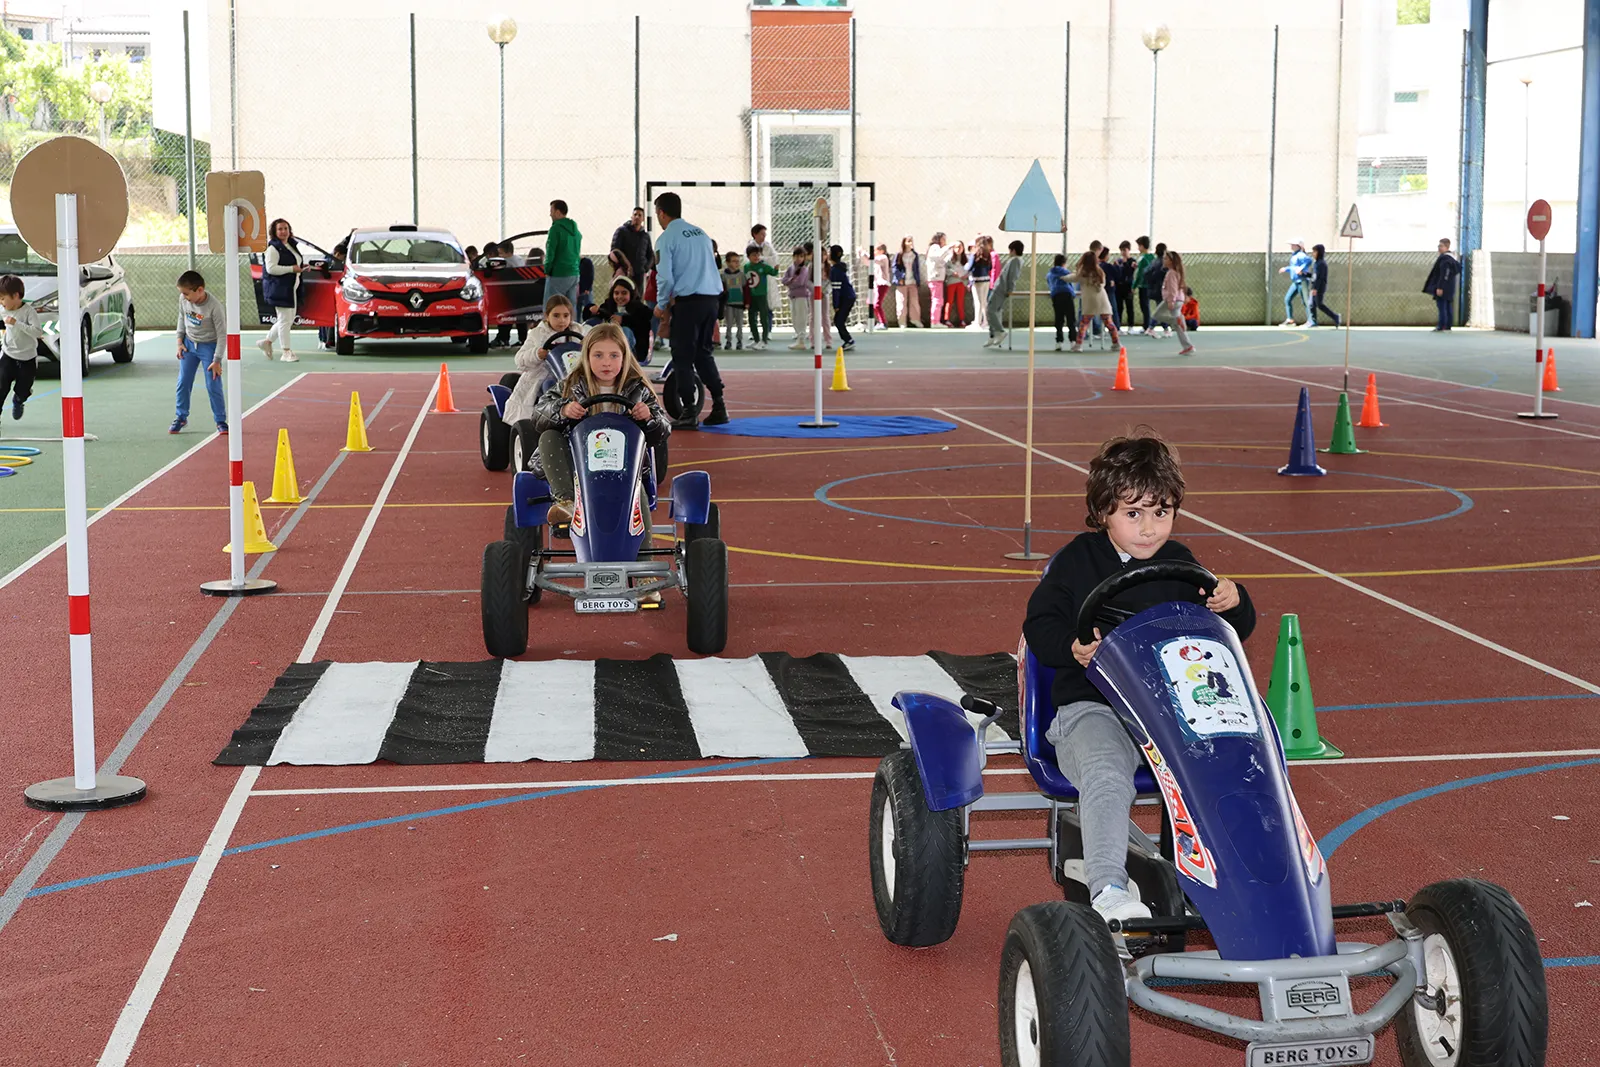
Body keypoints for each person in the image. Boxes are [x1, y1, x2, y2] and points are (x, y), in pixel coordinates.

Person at [1022, 429, 1255, 921]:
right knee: (1107, 772)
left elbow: (1229, 632)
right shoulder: (1076, 562)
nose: (1149, 529)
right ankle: (1108, 888)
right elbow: (1039, 626)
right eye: (1133, 514)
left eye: (1161, 512)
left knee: (1235, 764)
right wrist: (1072, 646)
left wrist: (1233, 601)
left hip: (1169, 714)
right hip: (1092, 708)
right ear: (1103, 511)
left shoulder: (1181, 565)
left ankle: (1227, 878)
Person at [530, 324, 670, 525]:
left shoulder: (638, 389)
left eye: (614, 356)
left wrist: (648, 417)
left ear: (624, 357)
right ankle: (567, 502)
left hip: (625, 470)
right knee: (548, 436)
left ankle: (642, 544)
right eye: (598, 355)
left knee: (637, 496)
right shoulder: (571, 385)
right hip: (579, 467)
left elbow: (663, 431)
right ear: (586, 357)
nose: (606, 363)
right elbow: (538, 415)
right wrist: (563, 410)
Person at [652, 191, 728, 428]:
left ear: (661, 213)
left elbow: (665, 277)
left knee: (682, 357)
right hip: (711, 300)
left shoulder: (666, 239)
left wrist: (661, 305)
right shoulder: (701, 234)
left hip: (688, 303)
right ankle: (719, 404)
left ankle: (689, 411)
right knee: (704, 353)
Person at [503, 295, 590, 425]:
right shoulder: (537, 334)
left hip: (574, 375)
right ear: (547, 316)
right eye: (556, 316)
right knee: (550, 385)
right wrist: (537, 354)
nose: (562, 320)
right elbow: (519, 360)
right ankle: (551, 415)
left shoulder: (579, 332)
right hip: (544, 376)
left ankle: (583, 412)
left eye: (566, 316)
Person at [170, 270, 227, 434]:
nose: (184, 297)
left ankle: (220, 420)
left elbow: (222, 335)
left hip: (209, 347)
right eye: (182, 293)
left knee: (213, 383)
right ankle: (181, 417)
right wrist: (179, 342)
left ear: (200, 290)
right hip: (188, 345)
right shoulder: (183, 299)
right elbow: (182, 318)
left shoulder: (215, 307)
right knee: (183, 381)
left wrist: (217, 360)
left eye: (186, 293)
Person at [258, 217, 302, 363]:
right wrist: (291, 269)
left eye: (285, 228)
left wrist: (300, 268)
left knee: (288, 319)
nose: (283, 231)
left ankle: (267, 342)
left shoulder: (290, 245)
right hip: (279, 289)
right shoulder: (272, 249)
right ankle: (286, 351)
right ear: (274, 232)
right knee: (284, 320)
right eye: (280, 229)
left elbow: (295, 262)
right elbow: (271, 268)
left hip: (291, 288)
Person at [0, 273, 42, 421]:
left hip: (27, 358)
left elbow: (37, 332)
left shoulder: (29, 312)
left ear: (16, 296)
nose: (1, 302)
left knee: (23, 389)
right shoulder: (3, 310)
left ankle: (18, 400)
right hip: (8, 355)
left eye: (3, 298)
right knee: (1, 388)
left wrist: (16, 323)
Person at [588, 275, 653, 359]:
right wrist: (593, 310)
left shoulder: (640, 309)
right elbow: (598, 315)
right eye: (616, 293)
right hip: (609, 344)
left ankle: (621, 356)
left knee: (624, 331)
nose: (619, 297)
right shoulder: (608, 306)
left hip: (634, 350)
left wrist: (624, 320)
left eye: (624, 293)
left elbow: (643, 324)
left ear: (631, 294)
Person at [1066, 251, 1119, 352]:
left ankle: (1078, 345)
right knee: (1109, 323)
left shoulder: (1082, 271)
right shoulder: (1100, 271)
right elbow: (1103, 284)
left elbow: (1074, 278)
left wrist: (1063, 277)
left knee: (1084, 324)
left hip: (1089, 301)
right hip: (1102, 300)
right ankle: (1116, 343)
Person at [982, 240, 1025, 348]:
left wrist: (1010, 289)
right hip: (1000, 287)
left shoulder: (1015, 261)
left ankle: (1000, 331)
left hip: (1001, 288)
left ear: (1013, 250)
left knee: (990, 310)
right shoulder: (1014, 260)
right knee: (994, 311)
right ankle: (992, 335)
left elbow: (1012, 276)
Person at [544, 200, 582, 310]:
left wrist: (547, 269)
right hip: (574, 273)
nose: (550, 214)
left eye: (551, 211)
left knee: (552, 307)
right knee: (570, 308)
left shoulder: (555, 229)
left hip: (559, 273)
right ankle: (572, 322)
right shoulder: (575, 231)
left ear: (558, 212)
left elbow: (550, 252)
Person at [1160, 250, 1196, 356]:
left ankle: (1178, 321)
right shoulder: (1175, 272)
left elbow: (1173, 289)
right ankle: (1187, 346)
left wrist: (1171, 301)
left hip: (1173, 300)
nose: (1163, 260)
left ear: (1171, 261)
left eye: (1166, 259)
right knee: (1177, 326)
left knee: (1157, 315)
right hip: (1177, 300)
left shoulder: (1171, 273)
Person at [743, 244, 778, 351]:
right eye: (754, 255)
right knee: (751, 318)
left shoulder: (763, 266)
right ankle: (756, 339)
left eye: (758, 255)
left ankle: (764, 340)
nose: (756, 257)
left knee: (764, 318)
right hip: (751, 296)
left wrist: (776, 269)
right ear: (748, 257)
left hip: (761, 296)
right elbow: (746, 281)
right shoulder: (746, 267)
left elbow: (773, 273)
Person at [1423, 238, 1460, 331]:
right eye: (1439, 246)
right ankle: (1447, 325)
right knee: (1447, 306)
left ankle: (1442, 325)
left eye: (1441, 246)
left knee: (1442, 306)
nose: (1439, 248)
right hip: (1449, 287)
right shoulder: (1452, 259)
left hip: (1443, 287)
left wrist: (1440, 287)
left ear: (1447, 247)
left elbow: (1444, 274)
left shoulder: (1445, 259)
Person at [781, 245, 813, 351]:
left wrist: (790, 283)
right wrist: (790, 280)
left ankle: (801, 340)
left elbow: (800, 282)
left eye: (801, 256)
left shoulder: (804, 269)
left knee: (801, 318)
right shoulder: (791, 268)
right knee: (794, 318)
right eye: (796, 256)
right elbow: (784, 280)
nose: (798, 259)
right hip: (793, 296)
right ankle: (798, 338)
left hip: (801, 296)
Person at [610, 207, 653, 285]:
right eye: (635, 214)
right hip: (624, 272)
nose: (637, 217)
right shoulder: (621, 231)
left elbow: (650, 254)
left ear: (643, 219)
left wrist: (645, 268)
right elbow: (614, 251)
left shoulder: (645, 236)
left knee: (638, 292)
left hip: (639, 274)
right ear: (631, 217)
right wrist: (625, 266)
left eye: (640, 215)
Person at [828, 244, 857, 350]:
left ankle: (849, 340)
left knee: (839, 320)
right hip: (848, 296)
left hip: (846, 298)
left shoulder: (835, 270)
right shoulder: (839, 268)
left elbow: (836, 290)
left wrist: (836, 305)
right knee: (838, 320)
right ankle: (848, 340)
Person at [1279, 239, 1313, 327]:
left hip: (1302, 281)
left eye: (1293, 244)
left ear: (1298, 246)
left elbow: (1309, 261)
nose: (1291, 246)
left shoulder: (1301, 255)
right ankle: (1290, 320)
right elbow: (1293, 267)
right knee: (1287, 299)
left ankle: (1311, 321)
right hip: (1296, 282)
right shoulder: (1294, 256)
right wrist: (1286, 269)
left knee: (1305, 301)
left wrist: (1301, 268)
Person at [1047, 253, 1077, 351]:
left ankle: (1059, 341)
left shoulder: (1050, 274)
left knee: (1059, 319)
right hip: (1067, 295)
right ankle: (1073, 341)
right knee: (1071, 319)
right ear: (1064, 263)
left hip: (1056, 296)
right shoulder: (1066, 272)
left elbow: (1050, 284)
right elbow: (1071, 282)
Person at [720, 250, 747, 351]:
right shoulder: (723, 276)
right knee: (729, 323)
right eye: (734, 261)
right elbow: (722, 290)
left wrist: (747, 302)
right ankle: (728, 340)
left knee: (740, 324)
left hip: (739, 303)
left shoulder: (741, 275)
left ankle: (739, 340)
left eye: (738, 261)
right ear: (727, 263)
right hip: (729, 303)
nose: (737, 263)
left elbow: (745, 289)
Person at [893, 236, 922, 328]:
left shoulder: (914, 255)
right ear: (904, 243)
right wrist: (899, 278)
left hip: (912, 281)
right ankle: (902, 322)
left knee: (914, 302)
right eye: (908, 241)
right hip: (902, 282)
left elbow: (916, 268)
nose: (910, 243)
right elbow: (895, 267)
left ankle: (915, 319)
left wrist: (917, 280)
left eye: (911, 241)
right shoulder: (899, 254)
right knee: (901, 302)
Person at [1308, 244, 1340, 327]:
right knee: (1312, 304)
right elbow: (1314, 275)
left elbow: (1320, 277)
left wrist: (1315, 288)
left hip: (1319, 287)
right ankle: (1313, 321)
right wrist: (1305, 274)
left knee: (1319, 304)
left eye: (1315, 251)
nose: (1313, 253)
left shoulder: (1321, 264)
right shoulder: (1316, 263)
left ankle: (1335, 316)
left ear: (1319, 252)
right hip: (1314, 286)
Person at [1140, 241, 1168, 337]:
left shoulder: (1154, 262)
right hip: (1160, 289)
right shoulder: (1163, 264)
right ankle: (1151, 327)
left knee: (1161, 309)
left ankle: (1165, 329)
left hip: (1154, 288)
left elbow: (1145, 273)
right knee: (1161, 310)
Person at [1131, 237, 1156, 334]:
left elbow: (1140, 274)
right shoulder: (1152, 257)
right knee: (1147, 306)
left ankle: (1147, 326)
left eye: (1139, 246)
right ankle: (1148, 325)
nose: (1138, 248)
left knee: (1144, 306)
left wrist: (1134, 286)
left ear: (1142, 246)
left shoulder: (1142, 258)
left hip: (1143, 285)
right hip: (1150, 284)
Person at [944, 240, 970, 327]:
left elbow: (970, 269)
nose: (958, 249)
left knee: (960, 302)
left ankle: (962, 320)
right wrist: (952, 273)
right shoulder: (949, 258)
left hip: (962, 282)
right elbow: (945, 269)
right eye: (956, 247)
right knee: (949, 301)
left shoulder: (966, 259)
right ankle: (947, 320)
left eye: (960, 247)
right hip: (952, 282)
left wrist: (966, 276)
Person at [925, 232, 949, 327]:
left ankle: (936, 320)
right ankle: (935, 321)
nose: (945, 241)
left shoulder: (936, 248)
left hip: (937, 278)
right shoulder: (935, 247)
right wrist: (948, 247)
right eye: (943, 239)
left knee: (938, 300)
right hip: (935, 277)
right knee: (937, 300)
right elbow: (938, 257)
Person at [970, 237, 993, 329]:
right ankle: (986, 321)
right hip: (986, 279)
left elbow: (969, 267)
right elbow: (990, 267)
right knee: (984, 301)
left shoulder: (975, 254)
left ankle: (977, 322)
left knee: (978, 301)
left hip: (977, 279)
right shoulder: (988, 254)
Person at [1114, 241, 1138, 330]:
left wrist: (1125, 263)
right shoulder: (1118, 261)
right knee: (1119, 307)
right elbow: (1117, 273)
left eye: (1124, 250)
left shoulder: (1132, 261)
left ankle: (1130, 326)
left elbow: (1129, 272)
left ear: (1129, 250)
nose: (1123, 252)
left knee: (1129, 307)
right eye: (1121, 250)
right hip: (1119, 287)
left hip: (1128, 286)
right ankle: (1118, 325)